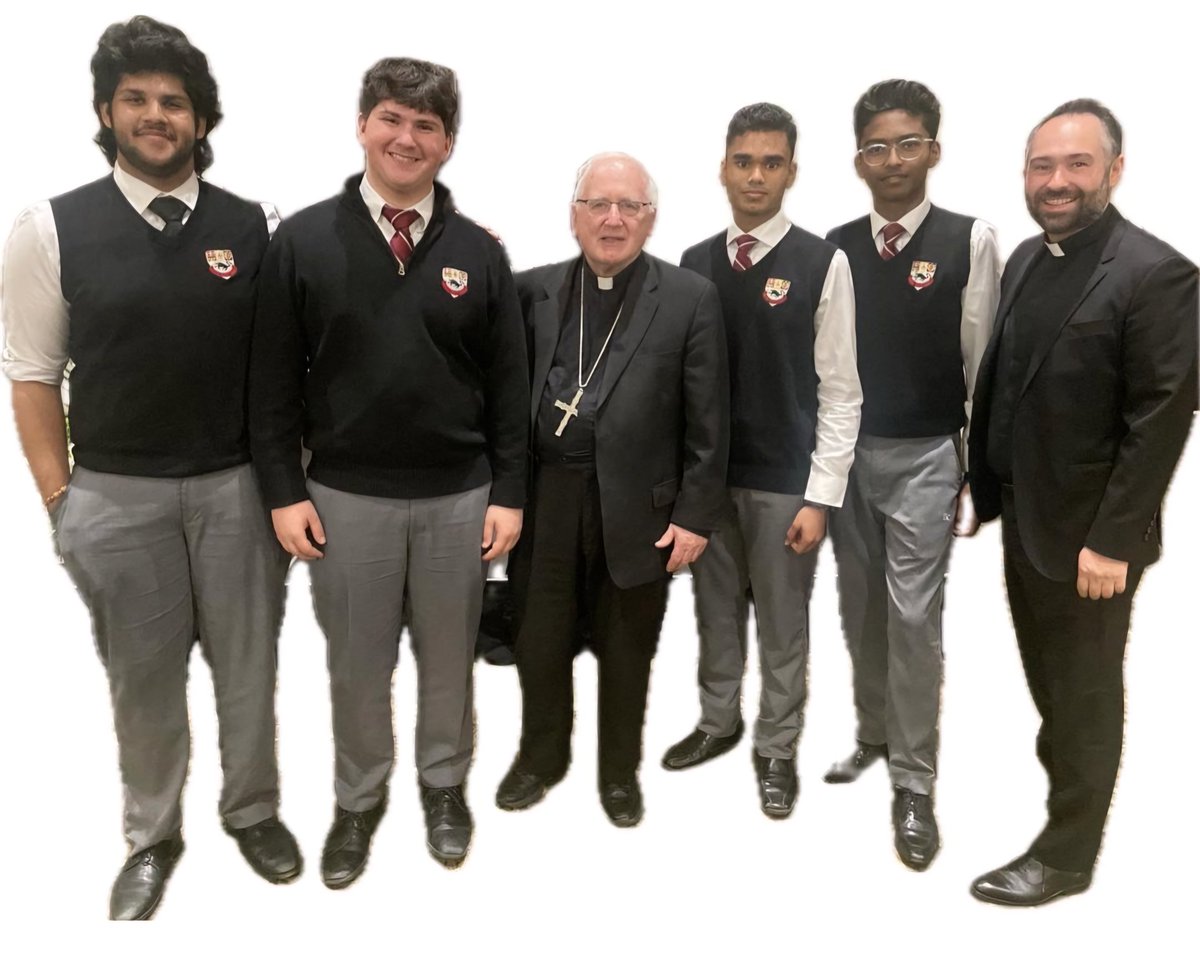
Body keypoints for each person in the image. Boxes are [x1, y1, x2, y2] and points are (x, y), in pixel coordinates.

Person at [0, 16, 298, 919]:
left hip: (237, 490)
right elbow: (32, 374)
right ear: (106, 111)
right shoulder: (50, 229)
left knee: (248, 665)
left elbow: (294, 365)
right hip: (116, 495)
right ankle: (152, 835)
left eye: (174, 101)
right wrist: (61, 501)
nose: (156, 114)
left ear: (202, 120)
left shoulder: (257, 227)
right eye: (137, 98)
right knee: (143, 675)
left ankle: (252, 811)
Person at [249, 58, 528, 882]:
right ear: (363, 125)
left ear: (448, 144)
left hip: (459, 499)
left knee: (450, 660)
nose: (407, 138)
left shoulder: (478, 252)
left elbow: (511, 387)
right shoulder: (301, 241)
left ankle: (444, 786)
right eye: (392, 119)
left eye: (427, 125)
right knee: (356, 664)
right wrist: (283, 491)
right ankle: (358, 801)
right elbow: (270, 386)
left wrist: (509, 491)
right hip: (342, 498)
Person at [967, 99, 1197, 905]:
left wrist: (1115, 540)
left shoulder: (1156, 273)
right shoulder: (1030, 255)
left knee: (1086, 693)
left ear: (1115, 171)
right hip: (1027, 524)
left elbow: (1160, 419)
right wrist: (980, 483)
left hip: (1090, 542)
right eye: (1041, 165)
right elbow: (1007, 385)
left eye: (1075, 165)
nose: (1055, 180)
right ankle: (1067, 796)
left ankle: (1066, 857)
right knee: (1053, 689)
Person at [495, 153, 728, 827]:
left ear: (651, 219)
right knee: (538, 640)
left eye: (630, 206)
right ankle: (542, 756)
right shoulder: (530, 291)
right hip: (546, 500)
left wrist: (695, 516)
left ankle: (619, 772)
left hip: (639, 508)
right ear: (574, 215)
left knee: (628, 650)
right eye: (598, 204)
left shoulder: (688, 298)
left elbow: (709, 422)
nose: (613, 219)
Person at [822, 80, 1001, 869]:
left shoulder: (969, 240)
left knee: (914, 618)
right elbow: (823, 369)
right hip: (848, 455)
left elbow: (981, 366)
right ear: (857, 159)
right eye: (875, 146)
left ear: (933, 149)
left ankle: (915, 781)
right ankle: (872, 733)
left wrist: (973, 471)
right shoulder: (835, 246)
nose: (890, 160)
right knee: (859, 606)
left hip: (927, 455)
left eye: (906, 144)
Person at [664, 104, 861, 819]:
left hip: (786, 485)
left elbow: (841, 389)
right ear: (723, 168)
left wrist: (822, 496)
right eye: (743, 161)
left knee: (782, 623)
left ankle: (776, 748)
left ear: (792, 172)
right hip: (708, 484)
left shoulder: (821, 262)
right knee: (715, 613)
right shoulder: (692, 264)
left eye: (771, 162)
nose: (755, 175)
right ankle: (719, 723)